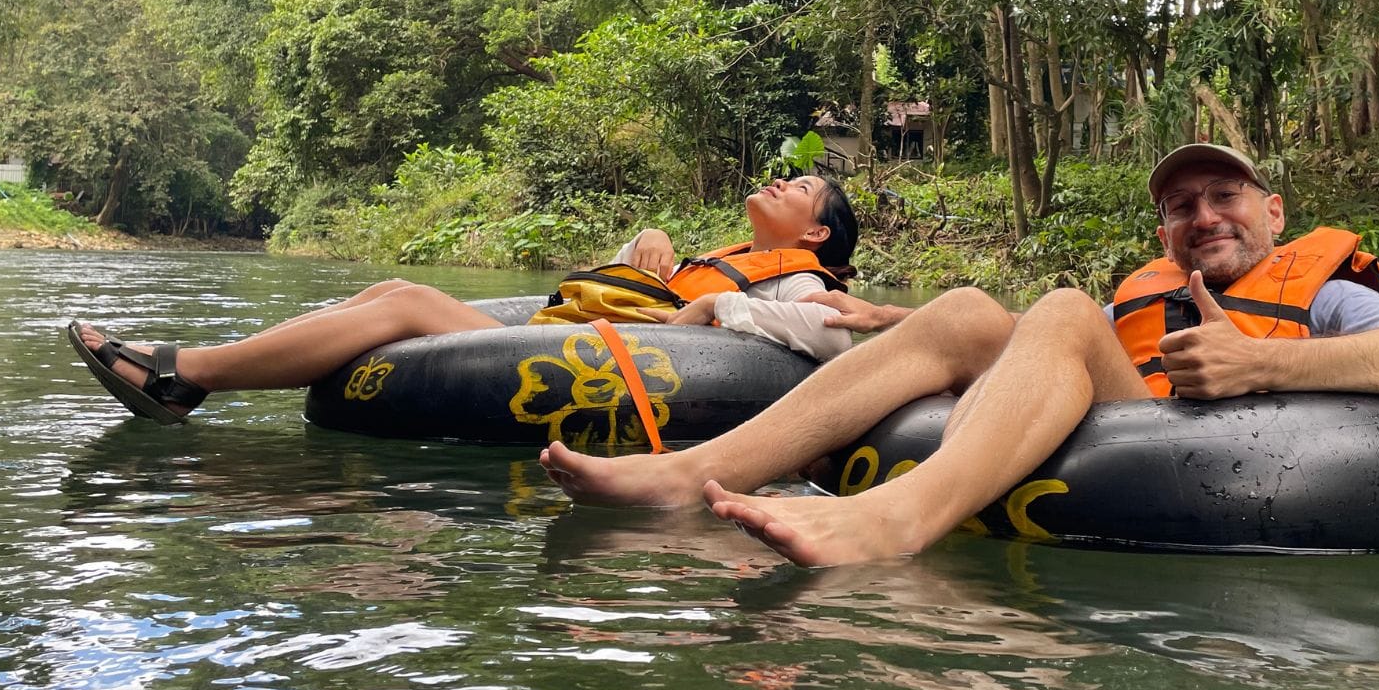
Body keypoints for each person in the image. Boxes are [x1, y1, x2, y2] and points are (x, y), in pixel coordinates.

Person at [539, 143, 1379, 567]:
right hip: (1138, 427)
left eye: (1226, 198)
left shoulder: (1327, 293)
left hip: (1261, 452)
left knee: (1063, 309)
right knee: (965, 308)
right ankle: (688, 475)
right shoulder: (1148, 293)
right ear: (1165, 227)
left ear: (1273, 214)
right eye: (1182, 205)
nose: (1202, 216)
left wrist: (1269, 365)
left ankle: (895, 522)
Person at [68, 174, 861, 424]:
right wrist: (644, 242)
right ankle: (203, 372)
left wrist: (719, 310)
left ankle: (186, 376)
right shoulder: (717, 256)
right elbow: (611, 288)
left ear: (818, 235)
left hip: (599, 358)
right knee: (389, 289)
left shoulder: (800, 279)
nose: (780, 181)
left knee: (407, 301)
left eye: (800, 188)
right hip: (563, 330)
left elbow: (831, 342)